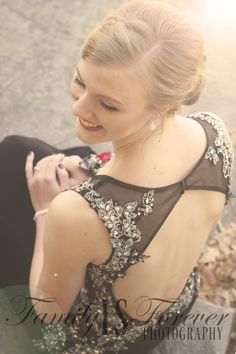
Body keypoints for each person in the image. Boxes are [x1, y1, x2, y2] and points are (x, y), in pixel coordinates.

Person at [0, 0, 235, 353]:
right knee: (47, 153)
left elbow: (48, 312)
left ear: (160, 107)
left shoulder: (72, 212)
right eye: (80, 80)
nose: (78, 108)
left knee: (14, 157)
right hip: (176, 303)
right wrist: (94, 175)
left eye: (107, 104)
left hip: (105, 338)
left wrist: (47, 211)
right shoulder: (214, 132)